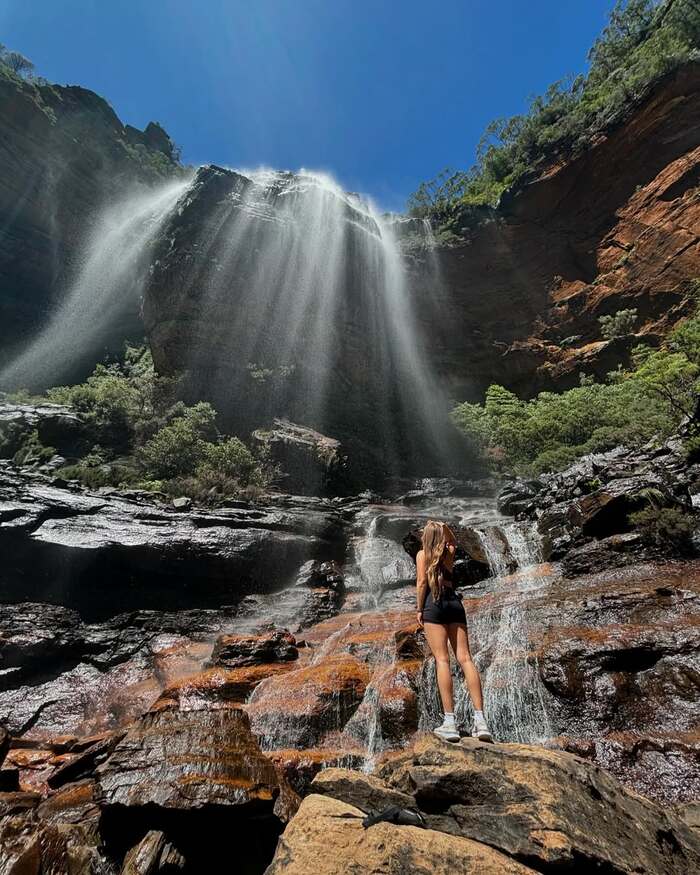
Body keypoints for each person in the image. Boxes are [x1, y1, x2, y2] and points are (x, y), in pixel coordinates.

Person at [416, 520, 492, 742]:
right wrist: (443, 525)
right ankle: (481, 721)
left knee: (442, 660)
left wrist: (419, 609)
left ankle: (450, 722)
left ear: (426, 537)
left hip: (434, 604)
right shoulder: (448, 552)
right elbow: (453, 539)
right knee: (466, 659)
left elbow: (422, 583)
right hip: (454, 603)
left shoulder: (423, 555)